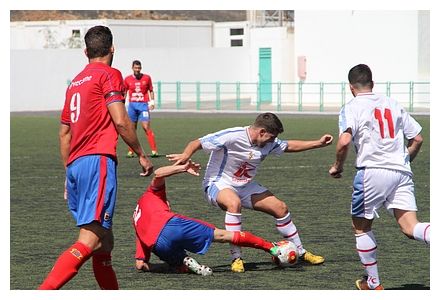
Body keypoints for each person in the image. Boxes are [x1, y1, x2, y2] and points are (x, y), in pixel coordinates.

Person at [38, 25, 154, 290]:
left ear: (85, 51)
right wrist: (141, 154)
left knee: (105, 242)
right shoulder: (110, 74)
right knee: (89, 239)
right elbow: (121, 121)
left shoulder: (75, 83)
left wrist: (68, 175)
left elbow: (64, 134)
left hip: (76, 166)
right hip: (97, 161)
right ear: (112, 49)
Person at [167, 112, 333, 272]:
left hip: (246, 186)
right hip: (218, 183)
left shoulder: (267, 142)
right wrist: (186, 155)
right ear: (261, 131)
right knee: (234, 203)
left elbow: (288, 145)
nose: (273, 141)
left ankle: (301, 252)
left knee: (280, 208)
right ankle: (236, 258)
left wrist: (318, 143)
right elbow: (197, 142)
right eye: (272, 137)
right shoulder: (233, 135)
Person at [329, 64, 430, 290]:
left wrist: (337, 166)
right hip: (401, 173)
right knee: (410, 228)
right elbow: (418, 139)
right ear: (372, 84)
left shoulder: (351, 107)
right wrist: (405, 160)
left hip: (371, 172)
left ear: (351, 88)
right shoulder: (393, 103)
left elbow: (344, 141)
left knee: (361, 227)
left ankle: (374, 283)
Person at [133, 160, 282, 275]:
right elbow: (158, 173)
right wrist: (183, 168)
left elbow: (140, 264)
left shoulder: (137, 222)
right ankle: (271, 247)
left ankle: (182, 263)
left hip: (157, 244)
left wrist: (162, 266)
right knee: (224, 235)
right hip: (171, 224)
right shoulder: (151, 194)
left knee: (177, 263)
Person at [124, 60, 159, 158]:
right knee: (132, 129)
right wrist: (122, 103)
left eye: (139, 68)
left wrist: (152, 102)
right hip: (132, 106)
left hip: (143, 105)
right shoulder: (127, 79)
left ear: (141, 68)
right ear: (132, 68)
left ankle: (154, 150)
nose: (137, 70)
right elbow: (125, 92)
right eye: (135, 68)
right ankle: (130, 151)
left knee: (146, 127)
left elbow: (151, 90)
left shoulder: (147, 78)